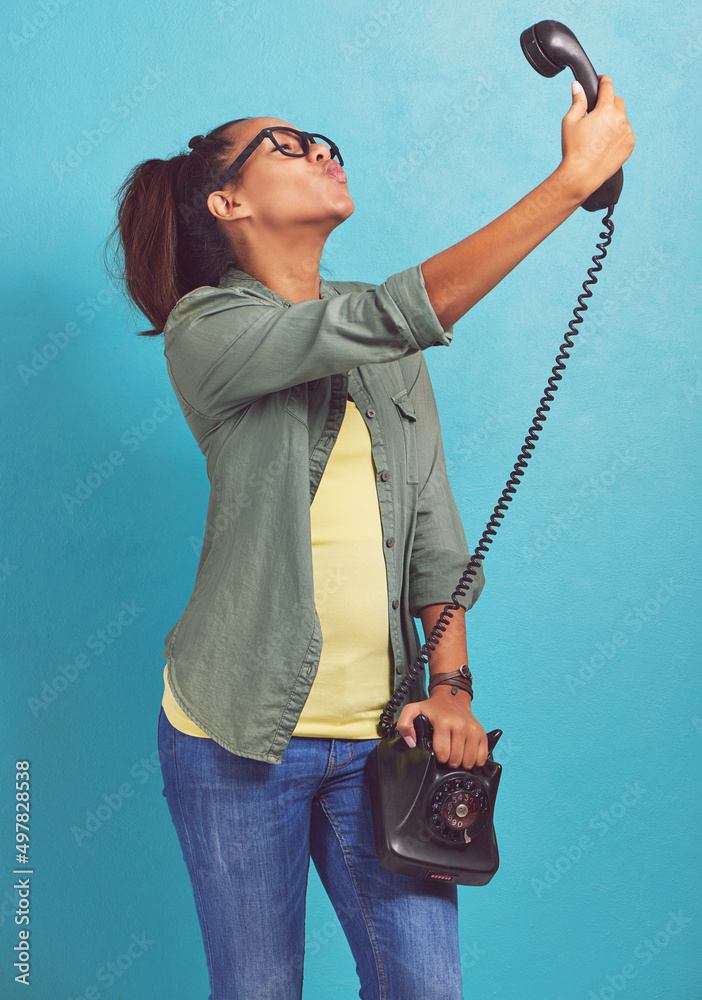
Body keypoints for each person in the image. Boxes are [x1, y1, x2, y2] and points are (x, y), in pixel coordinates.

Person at [105, 76, 633, 1000]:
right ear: (227, 202)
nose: (319, 148)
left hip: (382, 740)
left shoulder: (385, 339)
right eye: (284, 144)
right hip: (235, 737)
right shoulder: (208, 330)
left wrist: (453, 689)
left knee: (426, 988)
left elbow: (434, 530)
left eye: (319, 137)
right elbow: (393, 314)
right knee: (260, 989)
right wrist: (569, 183)